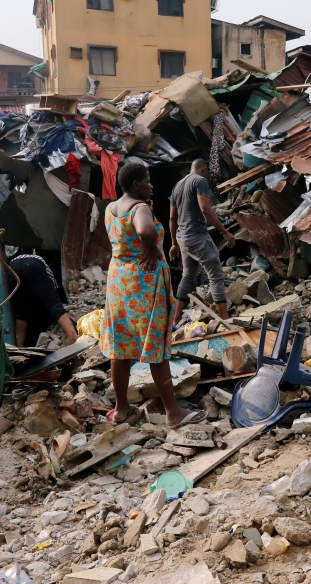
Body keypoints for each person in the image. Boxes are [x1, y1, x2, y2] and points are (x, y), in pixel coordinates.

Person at [100, 163, 206, 427]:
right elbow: (145, 230)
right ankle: (173, 412)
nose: (152, 185)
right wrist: (151, 249)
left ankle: (121, 408)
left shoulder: (110, 209)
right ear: (136, 184)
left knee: (121, 347)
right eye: (147, 180)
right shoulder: (139, 208)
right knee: (155, 344)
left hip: (118, 283)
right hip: (144, 285)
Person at [169, 158, 235, 327]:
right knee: (216, 275)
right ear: (205, 169)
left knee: (187, 276)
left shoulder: (177, 186)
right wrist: (225, 232)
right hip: (197, 236)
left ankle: (175, 320)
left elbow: (172, 218)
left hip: (182, 238)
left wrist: (173, 243)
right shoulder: (200, 181)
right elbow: (205, 209)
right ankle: (225, 320)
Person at [7, 253, 79, 347]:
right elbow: (56, 305)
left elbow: (24, 313)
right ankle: (76, 341)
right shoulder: (55, 286)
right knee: (55, 307)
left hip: (13, 266)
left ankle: (18, 349)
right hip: (34, 263)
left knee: (22, 313)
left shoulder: (30, 297)